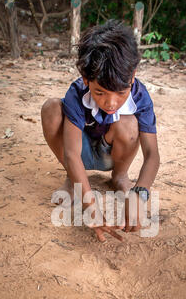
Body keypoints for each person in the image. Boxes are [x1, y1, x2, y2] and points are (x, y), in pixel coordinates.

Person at [41, 19, 160, 242]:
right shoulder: (77, 93)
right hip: (79, 153)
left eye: (120, 93)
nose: (111, 102)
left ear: (132, 76)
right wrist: (90, 206)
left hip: (113, 153)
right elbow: (72, 153)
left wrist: (140, 193)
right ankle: (73, 178)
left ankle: (120, 176)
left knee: (129, 124)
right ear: (86, 79)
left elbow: (152, 155)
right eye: (100, 93)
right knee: (51, 109)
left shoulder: (141, 96)